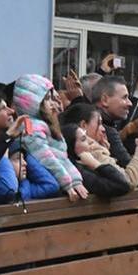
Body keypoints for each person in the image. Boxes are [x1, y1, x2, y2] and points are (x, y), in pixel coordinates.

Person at [11, 74, 89, 202]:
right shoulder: (32, 127)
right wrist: (68, 183)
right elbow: (46, 158)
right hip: (49, 182)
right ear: (33, 103)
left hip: (59, 180)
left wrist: (76, 180)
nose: (52, 104)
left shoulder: (47, 125)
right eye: (47, 99)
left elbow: (62, 157)